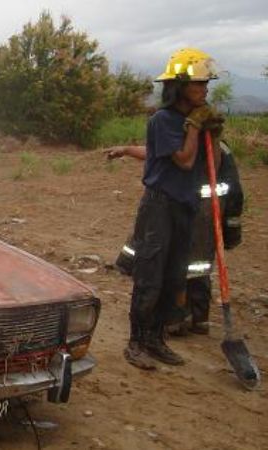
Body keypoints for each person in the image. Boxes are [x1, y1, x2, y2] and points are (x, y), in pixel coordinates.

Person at [122, 48, 224, 370]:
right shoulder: (163, 121)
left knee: (174, 276)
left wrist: (214, 135)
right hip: (159, 206)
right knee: (150, 275)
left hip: (186, 205)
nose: (204, 90)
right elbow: (184, 161)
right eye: (198, 84)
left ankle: (156, 339)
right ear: (179, 87)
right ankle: (136, 342)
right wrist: (194, 127)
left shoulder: (197, 121)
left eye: (206, 84)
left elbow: (211, 167)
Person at [107, 140, 244, 336]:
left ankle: (175, 319)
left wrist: (231, 228)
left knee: (176, 264)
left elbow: (161, 153)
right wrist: (127, 149)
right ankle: (198, 319)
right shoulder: (212, 144)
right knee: (198, 267)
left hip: (188, 210)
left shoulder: (194, 143)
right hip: (205, 213)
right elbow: (235, 190)